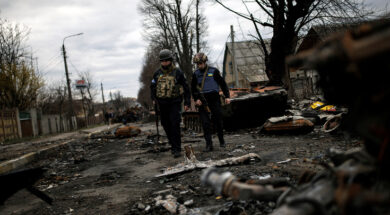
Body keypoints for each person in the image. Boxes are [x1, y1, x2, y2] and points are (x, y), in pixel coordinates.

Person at [150, 49, 191, 158]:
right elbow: (152, 87)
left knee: (175, 124)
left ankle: (177, 148)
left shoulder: (178, 72)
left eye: (166, 61)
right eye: (162, 61)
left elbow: (186, 87)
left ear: (170, 60)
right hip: (162, 104)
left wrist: (187, 102)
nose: (164, 63)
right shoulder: (157, 74)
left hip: (175, 102)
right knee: (166, 125)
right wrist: (153, 99)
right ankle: (173, 145)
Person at [191, 52, 230, 152]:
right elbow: (193, 89)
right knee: (205, 123)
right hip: (202, 101)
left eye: (201, 63)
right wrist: (196, 99)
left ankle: (222, 141)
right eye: (198, 64)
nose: (200, 65)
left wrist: (227, 96)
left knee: (218, 121)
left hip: (214, 100)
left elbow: (223, 84)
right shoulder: (195, 74)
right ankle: (209, 145)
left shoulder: (214, 71)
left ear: (205, 62)